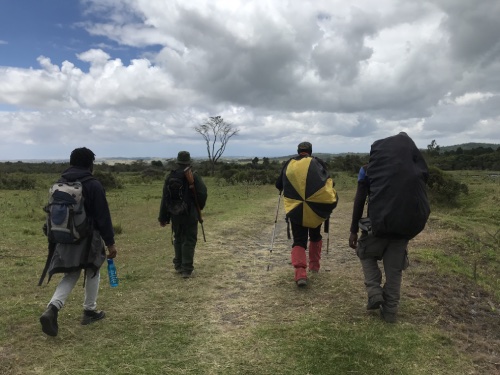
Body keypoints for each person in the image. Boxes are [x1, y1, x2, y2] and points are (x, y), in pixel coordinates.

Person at [348, 133, 429, 323]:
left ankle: (374, 291)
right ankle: (390, 312)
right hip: (403, 228)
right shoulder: (415, 170)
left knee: (365, 253)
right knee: (394, 270)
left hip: (378, 226)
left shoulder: (367, 170)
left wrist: (353, 229)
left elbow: (360, 200)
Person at [39, 147, 118, 337]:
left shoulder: (60, 182)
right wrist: (110, 243)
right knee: (93, 269)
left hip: (65, 237)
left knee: (71, 273)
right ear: (90, 164)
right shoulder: (93, 185)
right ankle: (89, 311)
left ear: (71, 162)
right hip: (88, 238)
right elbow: (103, 217)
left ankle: (52, 308)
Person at [275, 142, 337, 287]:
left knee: (299, 240)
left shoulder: (289, 164)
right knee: (315, 236)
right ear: (310, 151)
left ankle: (300, 274)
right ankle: (314, 267)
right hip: (316, 208)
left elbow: (279, 185)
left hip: (295, 208)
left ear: (298, 151)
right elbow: (330, 184)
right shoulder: (318, 163)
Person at [158, 151, 208, 278]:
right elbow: (202, 193)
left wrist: (163, 217)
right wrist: (198, 208)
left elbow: (165, 198)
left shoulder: (170, 176)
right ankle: (186, 269)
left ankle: (179, 265)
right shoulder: (193, 176)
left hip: (175, 213)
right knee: (189, 239)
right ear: (189, 161)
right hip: (189, 213)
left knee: (178, 238)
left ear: (178, 161)